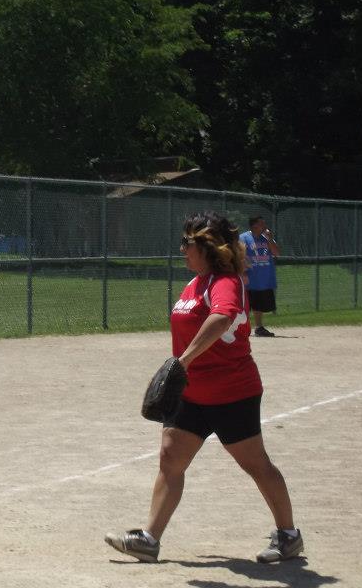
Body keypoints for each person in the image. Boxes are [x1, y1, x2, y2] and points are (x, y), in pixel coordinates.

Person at [105, 211, 302, 564]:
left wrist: (184, 360)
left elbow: (222, 316)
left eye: (187, 243)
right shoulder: (195, 283)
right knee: (170, 456)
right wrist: (184, 368)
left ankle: (289, 535)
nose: (181, 249)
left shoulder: (223, 282)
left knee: (255, 464)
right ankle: (150, 539)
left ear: (207, 247)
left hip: (232, 392)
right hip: (192, 392)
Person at [240, 216, 281, 337]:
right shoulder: (243, 238)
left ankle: (259, 327)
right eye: (261, 224)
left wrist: (270, 239)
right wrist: (243, 273)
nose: (264, 226)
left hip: (263, 278)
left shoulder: (266, 238)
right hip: (249, 277)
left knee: (259, 304)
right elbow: (239, 256)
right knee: (246, 304)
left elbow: (276, 253)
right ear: (254, 226)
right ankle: (242, 328)